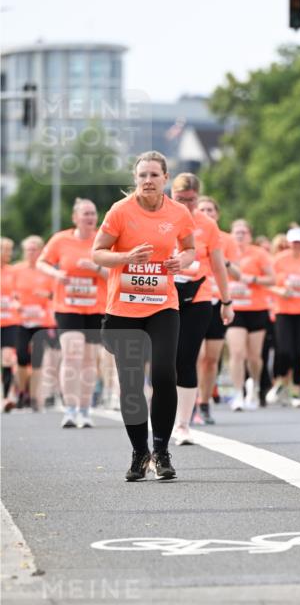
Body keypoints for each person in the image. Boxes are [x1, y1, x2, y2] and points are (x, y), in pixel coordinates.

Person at [92, 151, 196, 481]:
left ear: (166, 178)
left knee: (165, 374)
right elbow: (97, 253)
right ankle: (139, 453)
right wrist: (127, 256)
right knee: (132, 384)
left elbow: (190, 248)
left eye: (154, 175)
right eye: (142, 176)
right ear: (135, 179)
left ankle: (162, 451)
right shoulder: (120, 212)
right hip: (124, 308)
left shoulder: (178, 213)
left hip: (163, 305)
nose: (148, 180)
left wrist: (183, 261)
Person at [169, 175, 234, 444]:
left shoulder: (207, 225)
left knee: (187, 357)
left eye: (191, 200)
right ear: (171, 195)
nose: (186, 204)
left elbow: (219, 266)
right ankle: (165, 414)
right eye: (180, 199)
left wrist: (227, 302)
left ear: (198, 197)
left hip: (199, 295)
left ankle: (183, 424)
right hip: (164, 295)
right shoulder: (161, 218)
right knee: (165, 360)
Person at [38, 199, 109, 428]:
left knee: (89, 358)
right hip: (67, 306)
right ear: (75, 217)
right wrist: (56, 275)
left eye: (93, 213)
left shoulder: (103, 239)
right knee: (72, 354)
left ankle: (85, 410)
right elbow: (42, 262)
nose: (90, 217)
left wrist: (95, 268)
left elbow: (114, 274)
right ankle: (69, 409)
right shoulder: (61, 239)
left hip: (96, 307)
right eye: (86, 213)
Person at [194, 195, 240, 424]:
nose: (206, 213)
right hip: (194, 301)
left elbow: (238, 274)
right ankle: (189, 402)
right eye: (202, 209)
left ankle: (204, 402)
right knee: (194, 355)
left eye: (210, 209)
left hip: (216, 302)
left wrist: (220, 260)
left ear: (217, 214)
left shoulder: (226, 240)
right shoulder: (187, 232)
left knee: (211, 359)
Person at [226, 219, 274, 411]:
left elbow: (273, 279)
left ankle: (253, 385)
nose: (239, 235)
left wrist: (253, 279)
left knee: (254, 356)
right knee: (237, 352)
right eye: (236, 232)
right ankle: (238, 393)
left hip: (256, 309)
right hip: (234, 308)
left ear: (250, 235)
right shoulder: (224, 252)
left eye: (243, 232)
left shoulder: (259, 253)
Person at [268, 226, 300, 407]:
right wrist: (280, 291)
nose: (296, 245)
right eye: (293, 242)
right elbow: (269, 284)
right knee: (284, 350)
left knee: (298, 351)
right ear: (288, 243)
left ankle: (296, 388)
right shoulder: (278, 260)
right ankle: (282, 381)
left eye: (299, 242)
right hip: (283, 311)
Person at [13, 236, 57, 411]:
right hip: (22, 320)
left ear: (41, 251)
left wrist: (46, 296)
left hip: (42, 321)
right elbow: (11, 293)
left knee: (37, 360)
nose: (31, 252)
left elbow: (56, 294)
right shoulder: (17, 270)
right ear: (25, 252)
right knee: (21, 357)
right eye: (28, 249)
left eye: (34, 249)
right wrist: (16, 303)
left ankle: (33, 396)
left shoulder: (48, 271)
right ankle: (22, 391)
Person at [1, 237, 19, 409]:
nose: (9, 254)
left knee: (7, 358)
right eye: (6, 250)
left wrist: (17, 301)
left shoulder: (12, 271)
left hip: (10, 321)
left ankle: (6, 397)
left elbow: (18, 293)